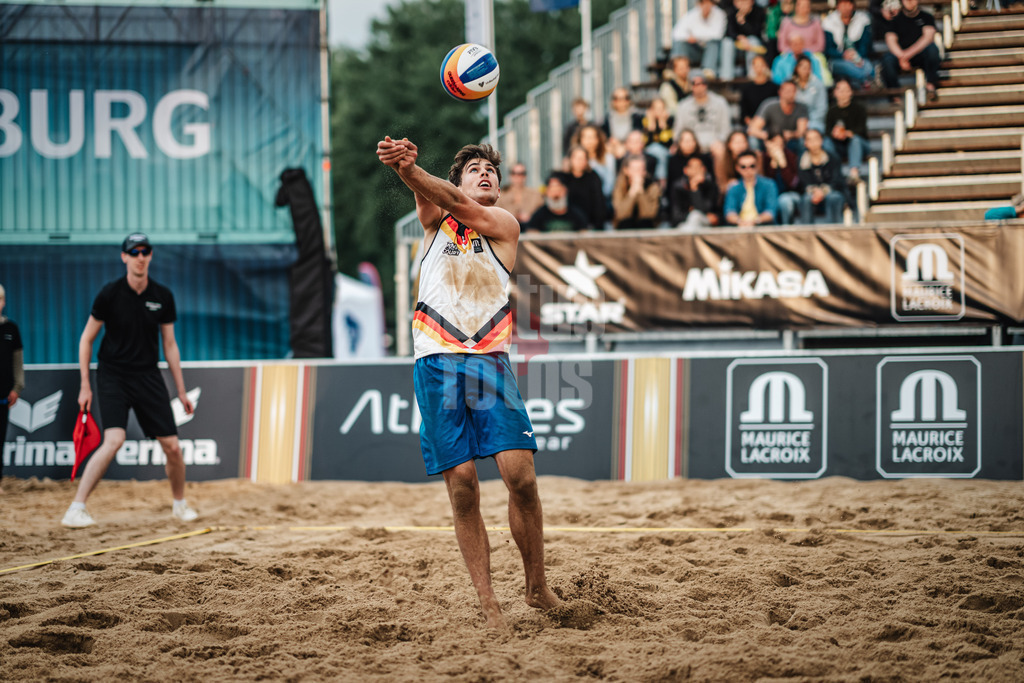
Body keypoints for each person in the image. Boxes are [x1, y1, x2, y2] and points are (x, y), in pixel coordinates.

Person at [375, 135, 560, 629]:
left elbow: (452, 199)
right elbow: (433, 197)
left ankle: (537, 588)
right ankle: (488, 602)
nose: (485, 174)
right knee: (463, 490)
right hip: (437, 361)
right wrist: (406, 168)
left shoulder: (504, 225)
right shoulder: (436, 219)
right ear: (454, 181)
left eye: (491, 171)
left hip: (488, 362)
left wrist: (411, 170)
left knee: (520, 477)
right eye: (474, 168)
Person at [61, 234, 197, 528]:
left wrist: (182, 391)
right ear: (124, 257)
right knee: (114, 440)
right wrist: (85, 385)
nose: (139, 256)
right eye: (133, 251)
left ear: (150, 256)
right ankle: (76, 507)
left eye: (144, 251)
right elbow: (86, 339)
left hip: (148, 375)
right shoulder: (109, 294)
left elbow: (170, 345)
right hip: (113, 374)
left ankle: (179, 504)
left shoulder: (162, 296)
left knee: (173, 447)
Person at [673, 73, 731, 184]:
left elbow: (725, 130)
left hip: (714, 143)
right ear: (690, 86)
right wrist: (684, 143)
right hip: (691, 143)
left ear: (706, 85)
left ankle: (721, 187)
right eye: (694, 84)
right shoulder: (683, 105)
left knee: (720, 150)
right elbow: (678, 131)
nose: (698, 87)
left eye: (701, 83)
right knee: (675, 152)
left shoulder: (720, 102)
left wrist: (719, 141)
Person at [881, 0, 940, 98]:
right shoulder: (895, 20)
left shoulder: (927, 17)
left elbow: (928, 38)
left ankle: (930, 84)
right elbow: (890, 39)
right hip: (901, 55)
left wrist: (906, 55)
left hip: (920, 54)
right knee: (887, 60)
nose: (909, 1)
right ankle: (895, 95)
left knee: (932, 50)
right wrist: (901, 56)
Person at [0, 283, 24, 494]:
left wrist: (17, 387)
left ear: (3, 302)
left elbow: (18, 362)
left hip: (3, 396)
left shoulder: (11, 329)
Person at [797, 128, 848, 224]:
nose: (813, 143)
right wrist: (814, 191)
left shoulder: (832, 157)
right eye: (809, 140)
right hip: (811, 193)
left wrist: (823, 191)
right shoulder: (801, 160)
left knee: (834, 197)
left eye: (816, 139)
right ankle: (806, 233)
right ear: (805, 143)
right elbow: (802, 183)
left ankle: (834, 232)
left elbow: (837, 181)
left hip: (831, 191)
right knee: (806, 199)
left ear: (821, 140)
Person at [671, 0, 730, 81]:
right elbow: (676, 33)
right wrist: (688, 37)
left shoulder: (719, 14)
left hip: (714, 53)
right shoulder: (692, 14)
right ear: (699, 4)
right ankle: (678, 69)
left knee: (712, 43)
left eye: (708, 2)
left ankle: (708, 71)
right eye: (702, 3)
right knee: (680, 43)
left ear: (712, 4)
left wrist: (696, 36)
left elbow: (717, 35)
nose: (705, 5)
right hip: (696, 51)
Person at [824, 78, 869, 182]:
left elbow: (862, 129)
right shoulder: (831, 111)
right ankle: (831, 172)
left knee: (855, 140)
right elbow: (827, 131)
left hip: (859, 145)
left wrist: (848, 133)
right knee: (827, 143)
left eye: (846, 90)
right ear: (835, 93)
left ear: (851, 92)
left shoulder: (859, 109)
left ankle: (854, 173)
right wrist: (834, 134)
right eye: (840, 90)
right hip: (839, 145)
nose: (843, 93)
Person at [823, 0, 875, 90]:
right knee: (851, 68)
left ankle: (862, 83)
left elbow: (865, 45)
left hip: (858, 57)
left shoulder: (862, 20)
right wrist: (843, 55)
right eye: (842, 4)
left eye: (848, 4)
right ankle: (865, 82)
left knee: (868, 67)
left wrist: (856, 56)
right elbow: (828, 49)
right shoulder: (829, 21)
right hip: (837, 59)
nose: (845, 7)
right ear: (838, 6)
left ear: (853, 5)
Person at [748, 80, 809, 154]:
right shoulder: (769, 105)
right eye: (787, 91)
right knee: (753, 140)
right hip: (770, 138)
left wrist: (790, 135)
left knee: (803, 141)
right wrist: (767, 136)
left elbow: (801, 132)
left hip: (790, 140)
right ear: (780, 92)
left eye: (792, 91)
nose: (790, 94)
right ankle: (757, 164)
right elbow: (752, 129)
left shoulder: (801, 107)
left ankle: (801, 165)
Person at [724, 150, 779, 227]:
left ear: (757, 166)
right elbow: (729, 212)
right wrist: (740, 221)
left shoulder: (769, 185)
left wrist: (755, 221)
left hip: (763, 228)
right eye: (743, 167)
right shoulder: (734, 187)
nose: (748, 170)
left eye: (752, 166)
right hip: (739, 228)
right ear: (737, 168)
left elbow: (770, 212)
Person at [525, 171, 590, 233]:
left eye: (558, 189)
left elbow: (584, 236)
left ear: (565, 190)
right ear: (547, 192)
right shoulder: (538, 216)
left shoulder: (578, 215)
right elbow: (532, 237)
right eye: (552, 190)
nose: (555, 194)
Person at [669, 155, 722, 229]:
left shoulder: (710, 186)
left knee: (696, 216)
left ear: (704, 169)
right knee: (694, 216)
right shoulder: (678, 187)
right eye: (693, 167)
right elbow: (676, 216)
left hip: (705, 224)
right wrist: (691, 212)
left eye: (699, 167)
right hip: (684, 225)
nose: (696, 170)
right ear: (686, 170)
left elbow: (708, 211)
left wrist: (695, 189)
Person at [612, 155, 663, 229]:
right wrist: (632, 193)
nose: (638, 172)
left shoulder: (653, 187)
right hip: (624, 227)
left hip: (647, 227)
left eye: (641, 169)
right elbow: (621, 214)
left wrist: (641, 192)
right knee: (626, 223)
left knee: (645, 222)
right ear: (626, 170)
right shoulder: (619, 186)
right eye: (635, 169)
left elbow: (649, 214)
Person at [564, 145, 608, 230]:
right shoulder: (564, 178)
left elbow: (599, 204)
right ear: (570, 159)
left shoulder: (593, 177)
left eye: (583, 158)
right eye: (577, 158)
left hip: (590, 225)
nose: (580, 161)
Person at [574, 123, 618, 199]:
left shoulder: (608, 158)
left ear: (598, 139)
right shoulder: (573, 159)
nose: (589, 141)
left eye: (592, 137)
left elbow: (610, 185)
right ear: (580, 139)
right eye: (586, 137)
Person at [726, 0, 768, 78]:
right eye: (740, 2)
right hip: (737, 44)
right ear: (735, 3)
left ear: (751, 2)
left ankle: (752, 75)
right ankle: (726, 76)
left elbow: (756, 32)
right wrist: (739, 37)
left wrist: (742, 21)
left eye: (746, 1)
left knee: (753, 40)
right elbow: (729, 32)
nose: (743, 4)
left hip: (753, 45)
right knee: (727, 42)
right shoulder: (732, 12)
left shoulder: (758, 11)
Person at [496, 162, 544, 227]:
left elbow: (541, 215)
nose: (518, 177)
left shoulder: (535, 195)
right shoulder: (501, 196)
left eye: (521, 174)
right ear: (510, 175)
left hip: (531, 230)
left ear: (525, 175)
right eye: (514, 173)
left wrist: (531, 217)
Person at [738, 54, 779, 129]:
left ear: (766, 66)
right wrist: (752, 124)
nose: (759, 68)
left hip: (770, 125)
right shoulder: (747, 89)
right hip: (752, 125)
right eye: (756, 65)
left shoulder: (774, 87)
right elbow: (744, 113)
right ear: (752, 67)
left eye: (761, 65)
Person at [601, 87, 642, 159]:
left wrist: (626, 146)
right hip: (613, 148)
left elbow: (639, 135)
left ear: (628, 100)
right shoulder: (608, 118)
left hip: (631, 148)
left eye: (625, 98)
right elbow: (605, 136)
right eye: (617, 99)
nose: (621, 102)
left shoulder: (636, 117)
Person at [793, 55, 828, 132]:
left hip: (814, 122)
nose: (806, 70)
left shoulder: (818, 84)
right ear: (797, 68)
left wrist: (807, 122)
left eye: (808, 68)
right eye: (803, 68)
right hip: (793, 121)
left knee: (811, 134)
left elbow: (822, 109)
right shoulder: (790, 83)